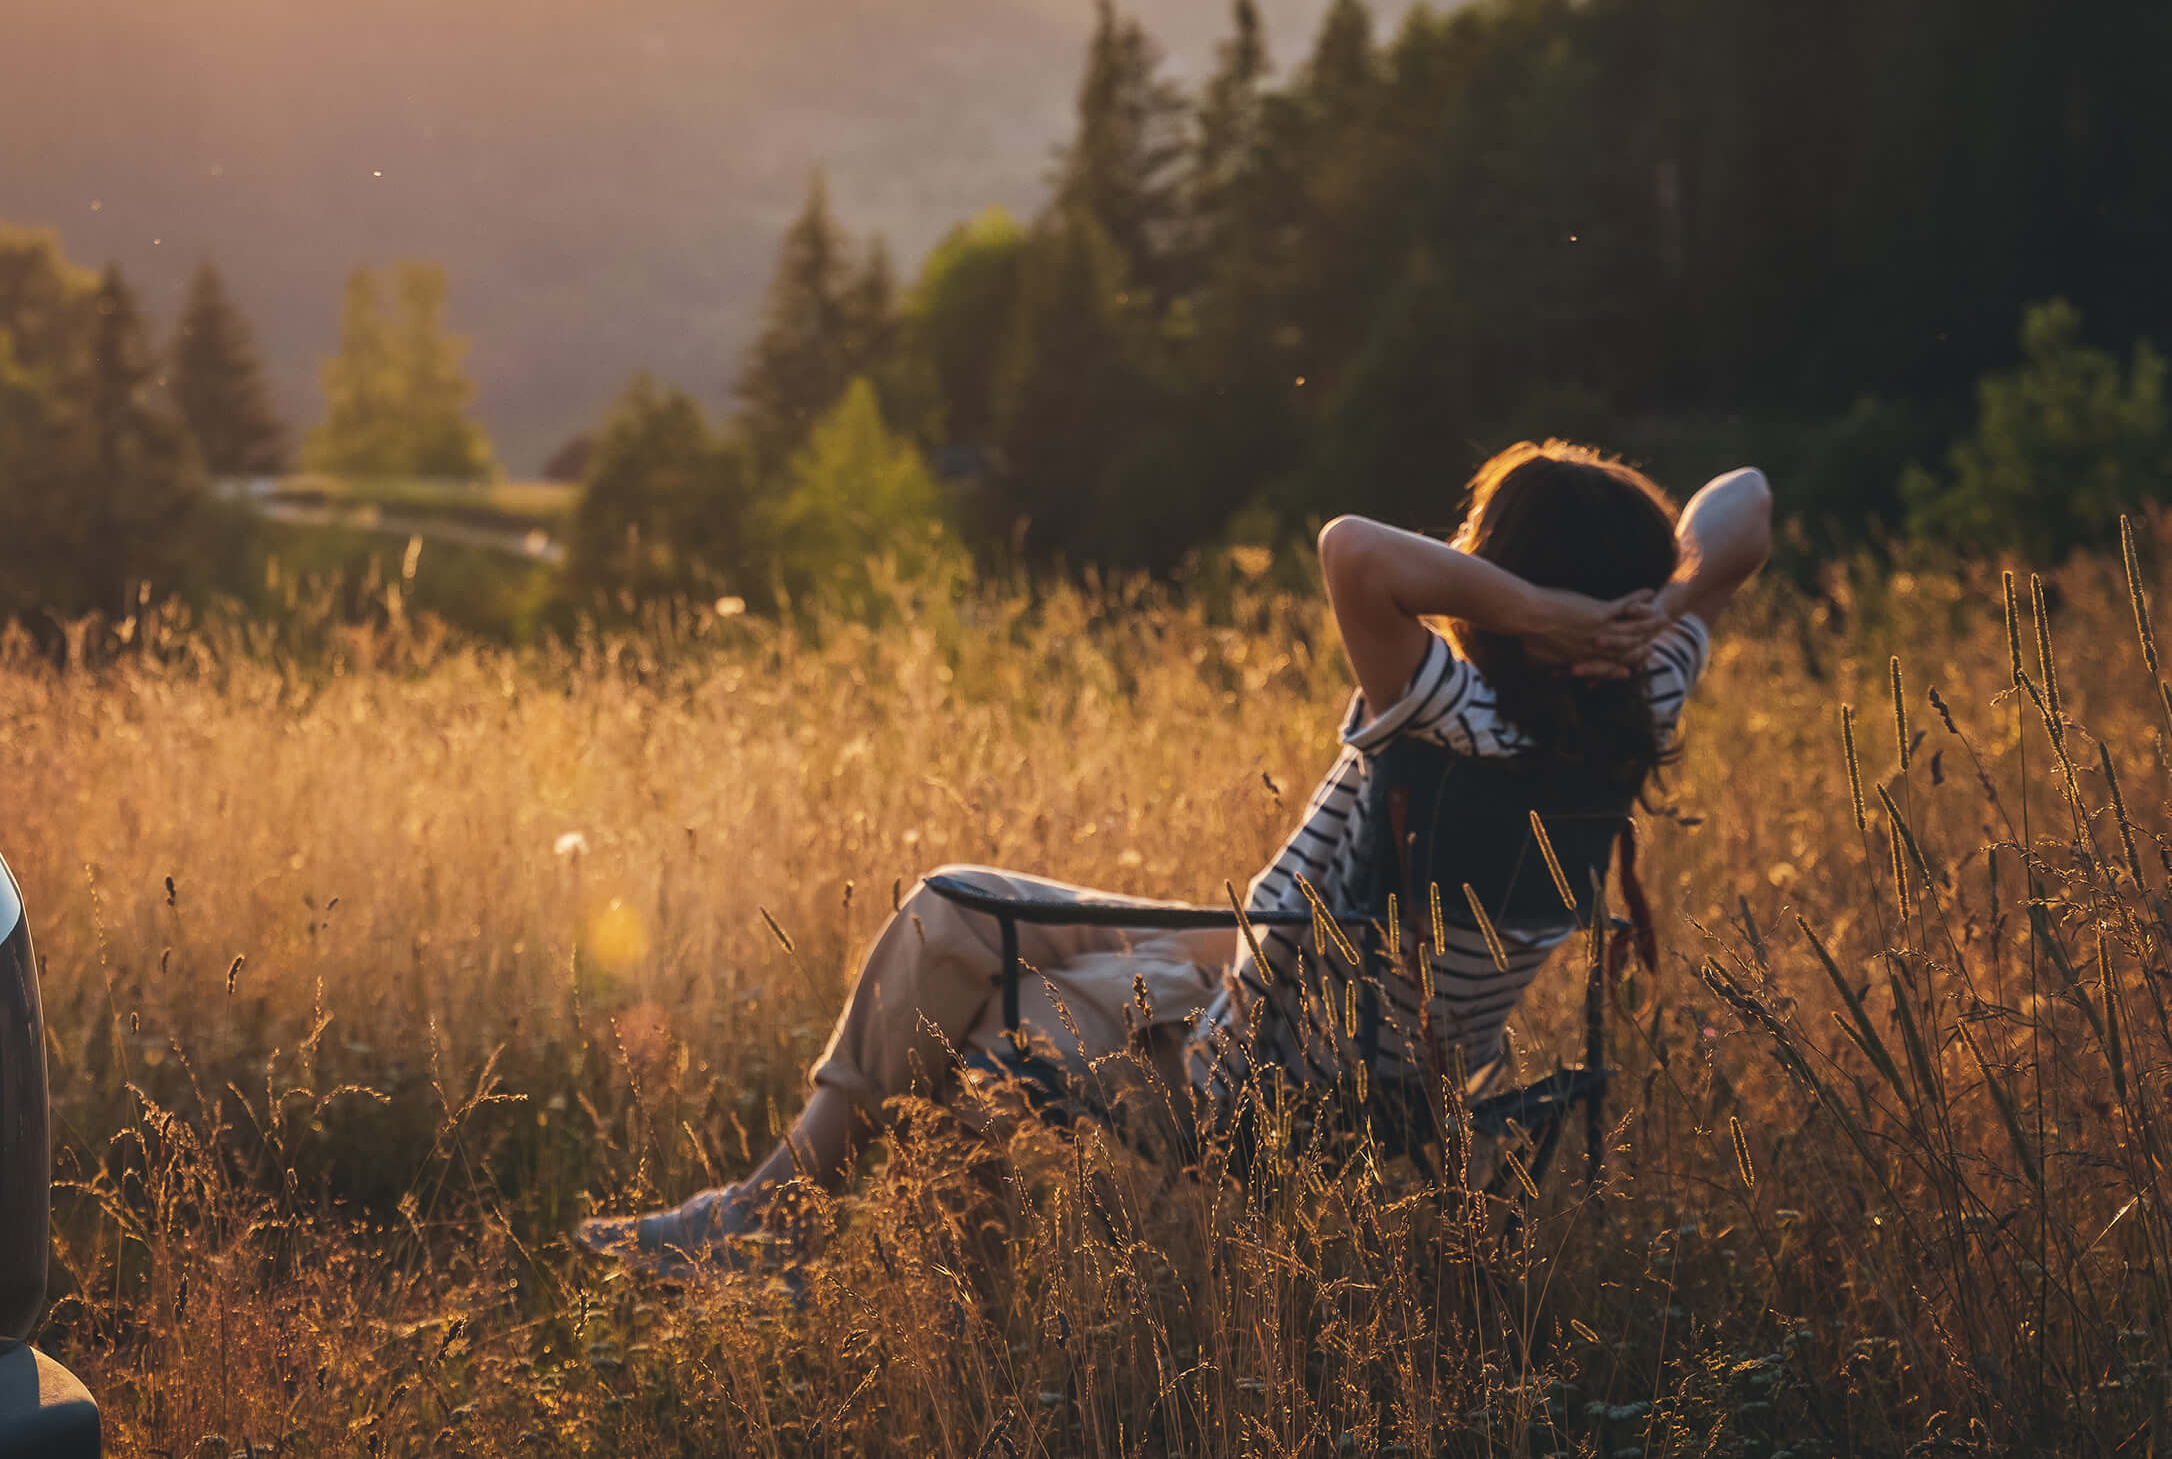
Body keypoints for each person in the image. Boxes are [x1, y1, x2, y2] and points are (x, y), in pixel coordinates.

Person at [576, 443, 1772, 1274]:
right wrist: (1658, 603)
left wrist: (1532, 610)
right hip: (1347, 1012)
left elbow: (1354, 548)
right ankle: (767, 1217)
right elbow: (1748, 503)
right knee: (953, 904)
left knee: (974, 1007)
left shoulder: (1449, 707)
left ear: (1515, 584)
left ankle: (780, 1228)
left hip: (1263, 1070)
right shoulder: (1639, 701)